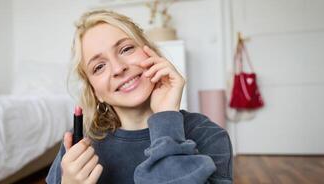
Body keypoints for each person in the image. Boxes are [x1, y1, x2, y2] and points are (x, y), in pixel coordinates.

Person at [46, 10, 233, 184]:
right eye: (99, 67)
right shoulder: (80, 145)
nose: (119, 68)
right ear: (95, 92)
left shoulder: (208, 134)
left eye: (126, 49)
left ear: (149, 51)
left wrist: (166, 119)